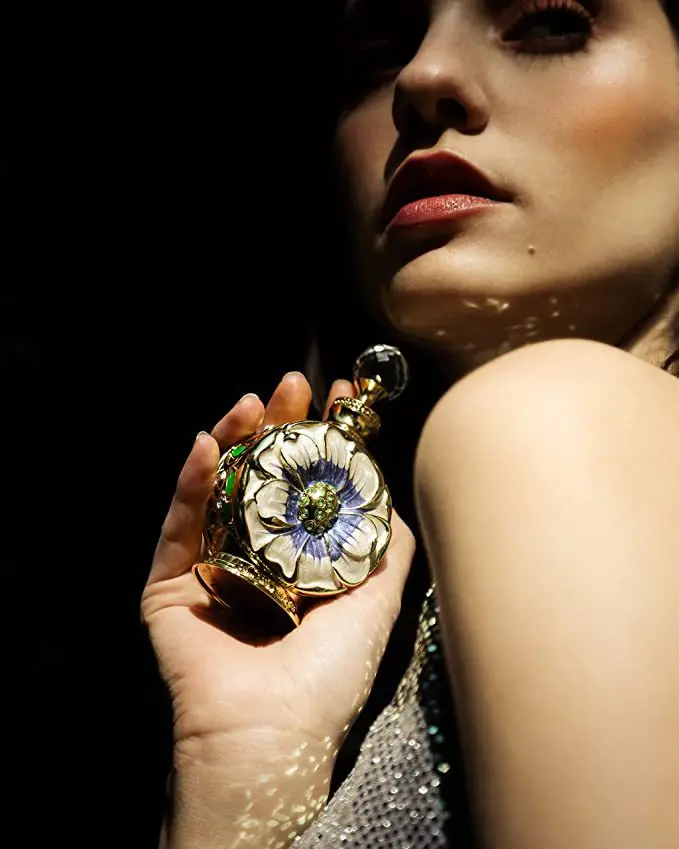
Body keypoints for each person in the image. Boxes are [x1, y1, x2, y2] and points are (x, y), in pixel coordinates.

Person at [141, 1, 679, 846]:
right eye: (379, 50)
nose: (422, 79)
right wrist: (246, 762)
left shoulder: (543, 414)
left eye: (549, 19)